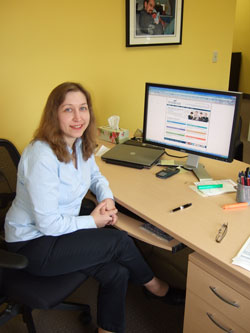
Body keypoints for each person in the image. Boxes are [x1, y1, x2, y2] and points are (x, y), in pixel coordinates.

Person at [4, 82, 185, 333]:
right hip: (33, 244)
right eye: (68, 110)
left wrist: (106, 198)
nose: (78, 117)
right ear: (54, 114)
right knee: (118, 241)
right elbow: (48, 224)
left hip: (60, 229)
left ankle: (108, 330)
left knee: (116, 272)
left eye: (83, 108)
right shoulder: (41, 155)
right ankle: (156, 287)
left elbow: (96, 176)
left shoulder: (78, 142)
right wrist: (93, 221)